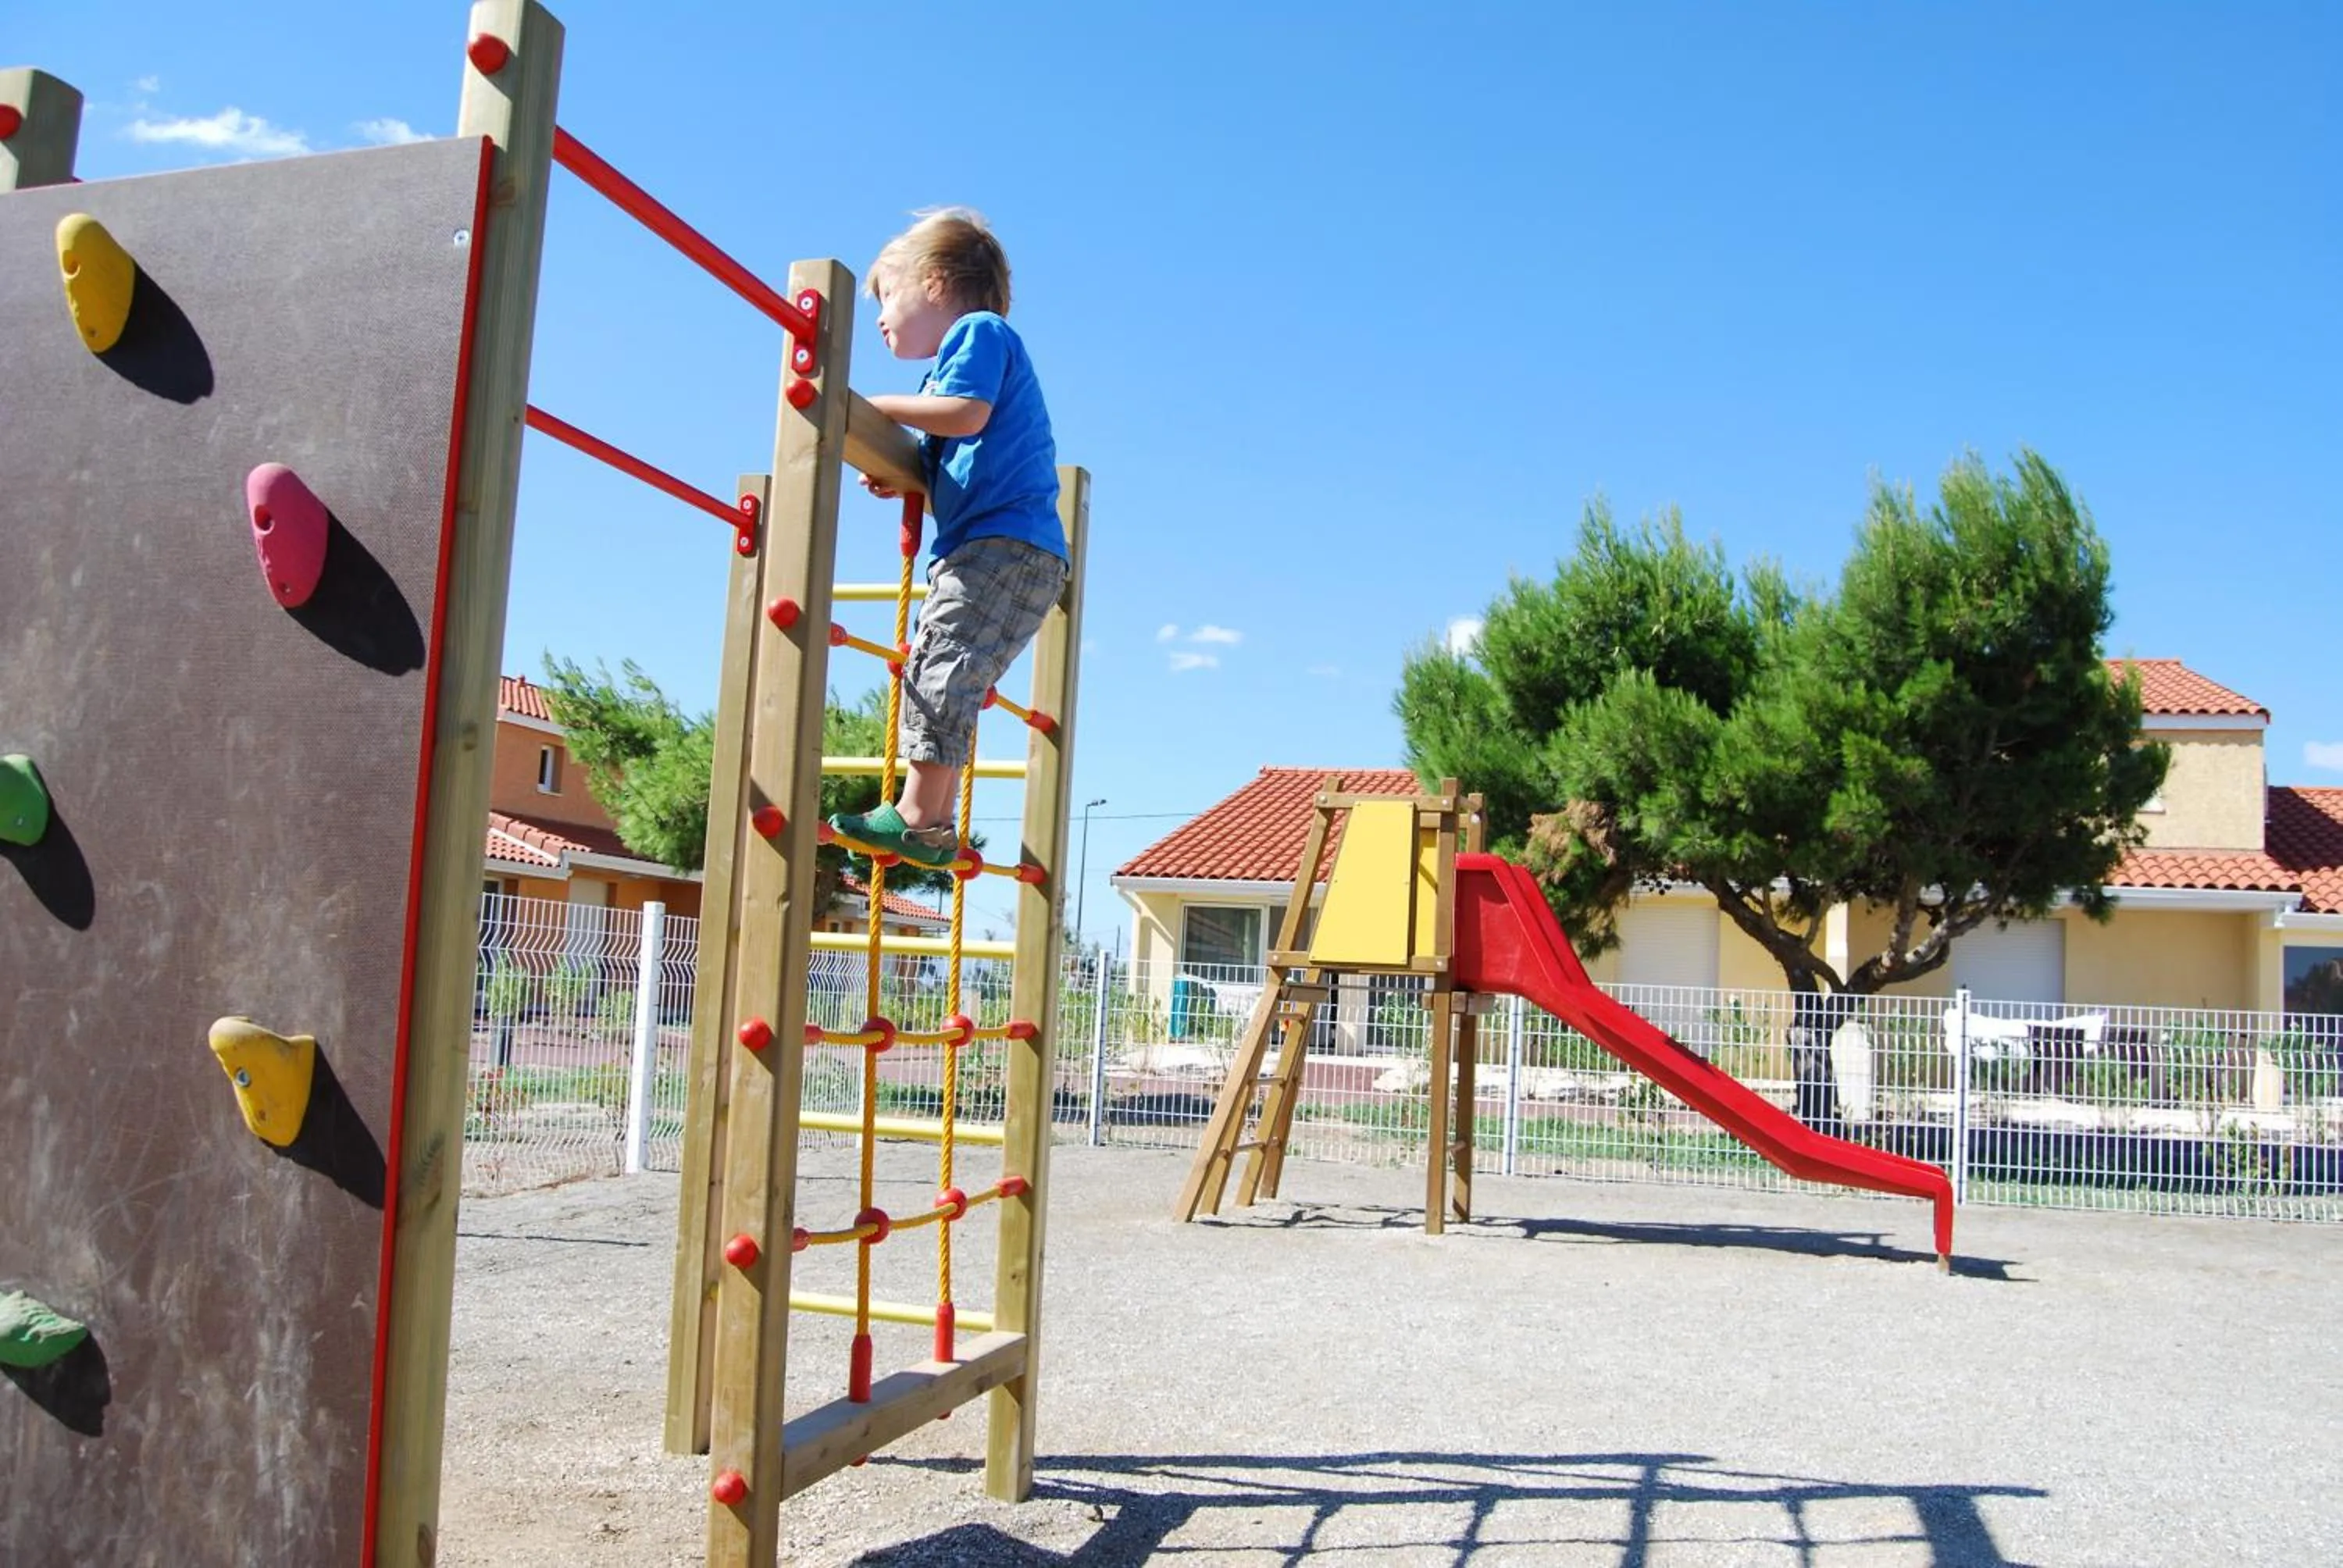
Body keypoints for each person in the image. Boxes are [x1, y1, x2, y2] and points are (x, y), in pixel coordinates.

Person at [827, 209, 1068, 868]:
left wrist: (878, 410)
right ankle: (928, 824)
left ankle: (915, 816)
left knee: (939, 667)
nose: (880, 316)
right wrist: (916, 480)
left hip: (1000, 546)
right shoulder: (953, 368)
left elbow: (968, 417)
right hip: (1006, 545)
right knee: (947, 670)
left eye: (888, 295)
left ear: (934, 284)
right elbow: (970, 458)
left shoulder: (978, 333)